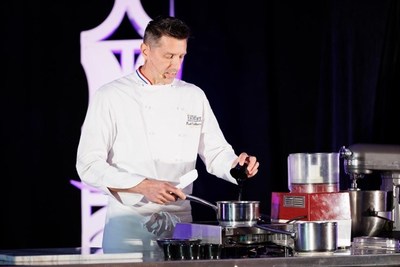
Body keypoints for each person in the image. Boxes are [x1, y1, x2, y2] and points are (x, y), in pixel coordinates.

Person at [76, 16, 260, 253]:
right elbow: (88, 165)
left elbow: (216, 152)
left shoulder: (193, 96)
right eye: (168, 56)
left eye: (181, 56)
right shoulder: (111, 96)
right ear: (146, 50)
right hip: (129, 223)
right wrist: (143, 185)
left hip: (181, 223)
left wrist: (237, 166)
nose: (175, 65)